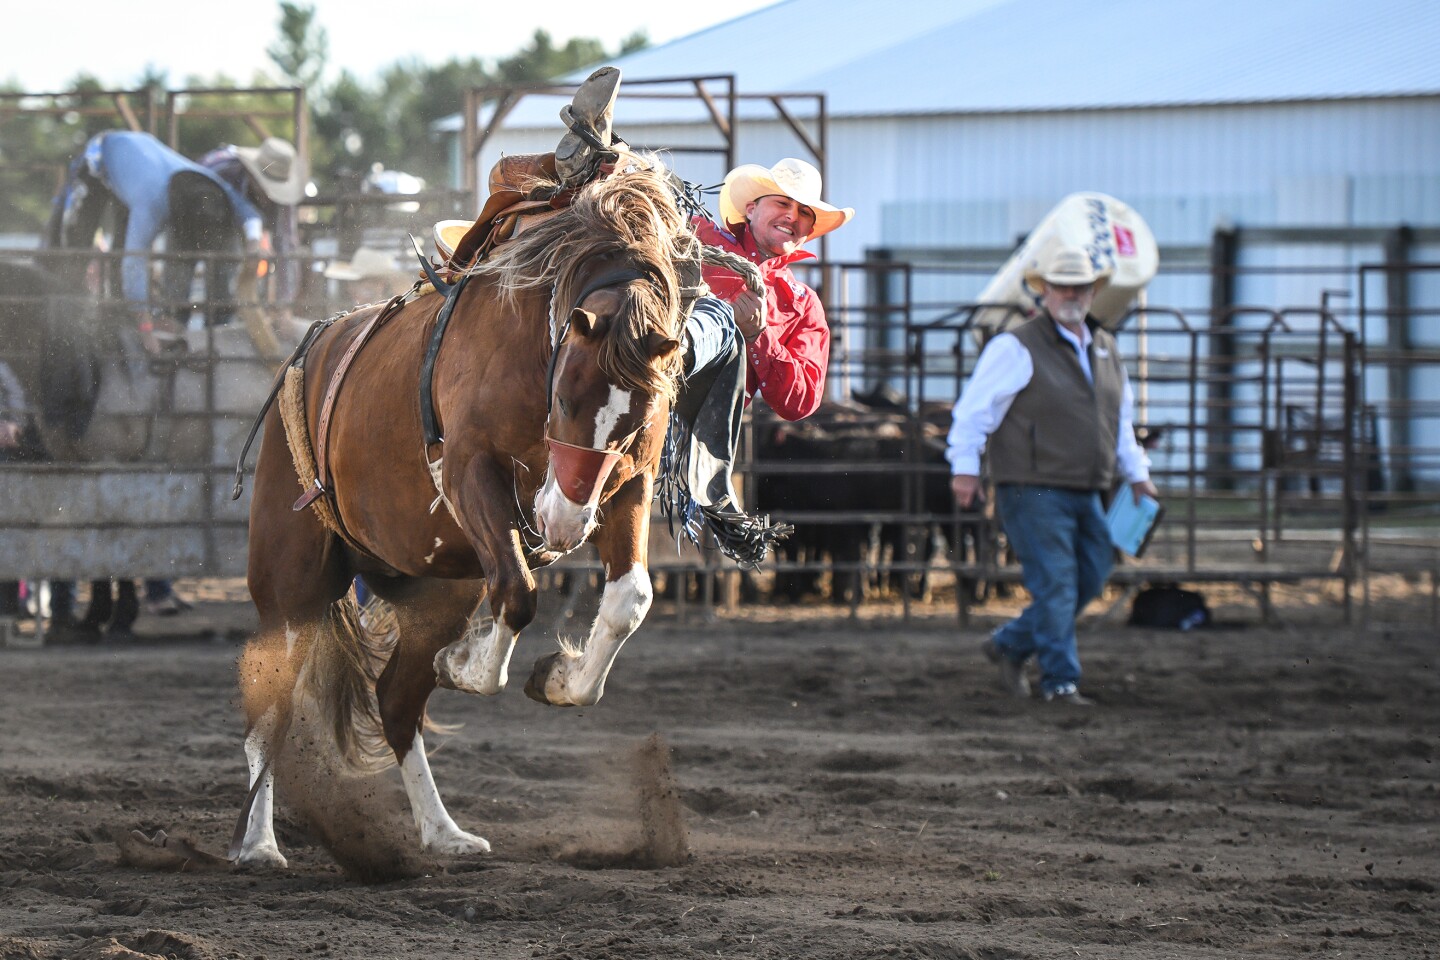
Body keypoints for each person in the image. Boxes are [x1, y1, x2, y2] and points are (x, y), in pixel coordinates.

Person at [459, 68, 854, 565]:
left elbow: (800, 400)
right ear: (751, 208)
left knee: (722, 319)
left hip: (688, 398)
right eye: (783, 204)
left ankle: (669, 350)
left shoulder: (801, 305)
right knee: (626, 217)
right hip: (629, 378)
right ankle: (591, 163)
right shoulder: (697, 238)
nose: (793, 218)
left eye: (804, 215)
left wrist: (759, 339)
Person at [946, 246, 1158, 705]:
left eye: (1079, 286)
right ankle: (1060, 682)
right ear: (1044, 291)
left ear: (1093, 291)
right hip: (1031, 488)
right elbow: (973, 413)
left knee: (1091, 575)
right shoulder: (1015, 346)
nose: (1070, 294)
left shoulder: (1105, 348)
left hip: (1089, 487)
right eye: (1061, 285)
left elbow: (1119, 424)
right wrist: (965, 470)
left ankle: (1010, 644)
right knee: (1059, 582)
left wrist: (1138, 473)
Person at [49, 130, 265, 338]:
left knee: (121, 253)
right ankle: (67, 324)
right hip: (101, 156)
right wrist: (146, 329)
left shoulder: (212, 184)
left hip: (139, 165)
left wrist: (254, 246)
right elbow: (134, 262)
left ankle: (123, 319)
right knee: (76, 248)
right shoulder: (150, 205)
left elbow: (249, 213)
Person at [199, 137, 306, 313]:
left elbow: (286, 245)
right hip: (210, 219)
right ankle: (205, 316)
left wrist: (284, 304)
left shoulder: (283, 202)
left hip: (244, 230)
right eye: (264, 185)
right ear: (251, 173)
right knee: (226, 261)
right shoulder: (222, 170)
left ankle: (235, 313)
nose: (267, 193)